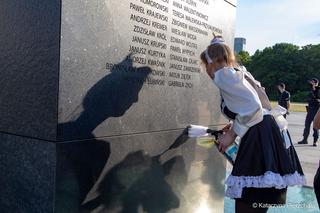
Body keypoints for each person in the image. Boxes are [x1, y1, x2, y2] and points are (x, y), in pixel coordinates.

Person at [200, 35, 306, 212]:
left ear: (211, 63)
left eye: (205, 66)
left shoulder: (223, 75)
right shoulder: (240, 72)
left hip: (260, 137)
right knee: (258, 200)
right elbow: (259, 106)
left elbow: (254, 108)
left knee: (248, 202)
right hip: (269, 134)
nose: (206, 71)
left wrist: (231, 135)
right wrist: (235, 125)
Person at [298, 78, 320, 146]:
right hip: (310, 110)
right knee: (307, 125)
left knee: (315, 127)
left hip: (316, 110)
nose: (310, 83)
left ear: (315, 83)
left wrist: (315, 90)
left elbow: (318, 99)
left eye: (312, 82)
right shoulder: (311, 90)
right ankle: (305, 139)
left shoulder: (318, 90)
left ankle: (315, 141)